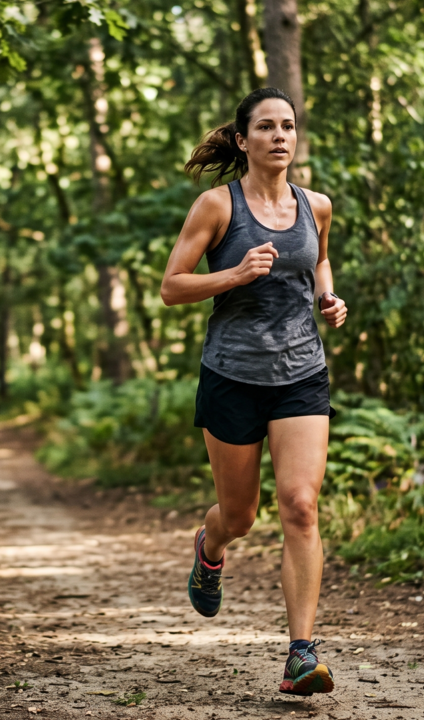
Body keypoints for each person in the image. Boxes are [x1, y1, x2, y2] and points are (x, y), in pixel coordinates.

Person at [159, 87, 347, 697]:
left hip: (300, 375)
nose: (279, 136)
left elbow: (317, 261)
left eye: (287, 126)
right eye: (265, 127)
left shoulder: (315, 205)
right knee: (239, 515)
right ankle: (209, 548)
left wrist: (327, 296)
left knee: (299, 504)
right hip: (233, 376)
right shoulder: (216, 206)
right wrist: (235, 274)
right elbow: (172, 286)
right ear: (243, 141)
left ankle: (301, 653)